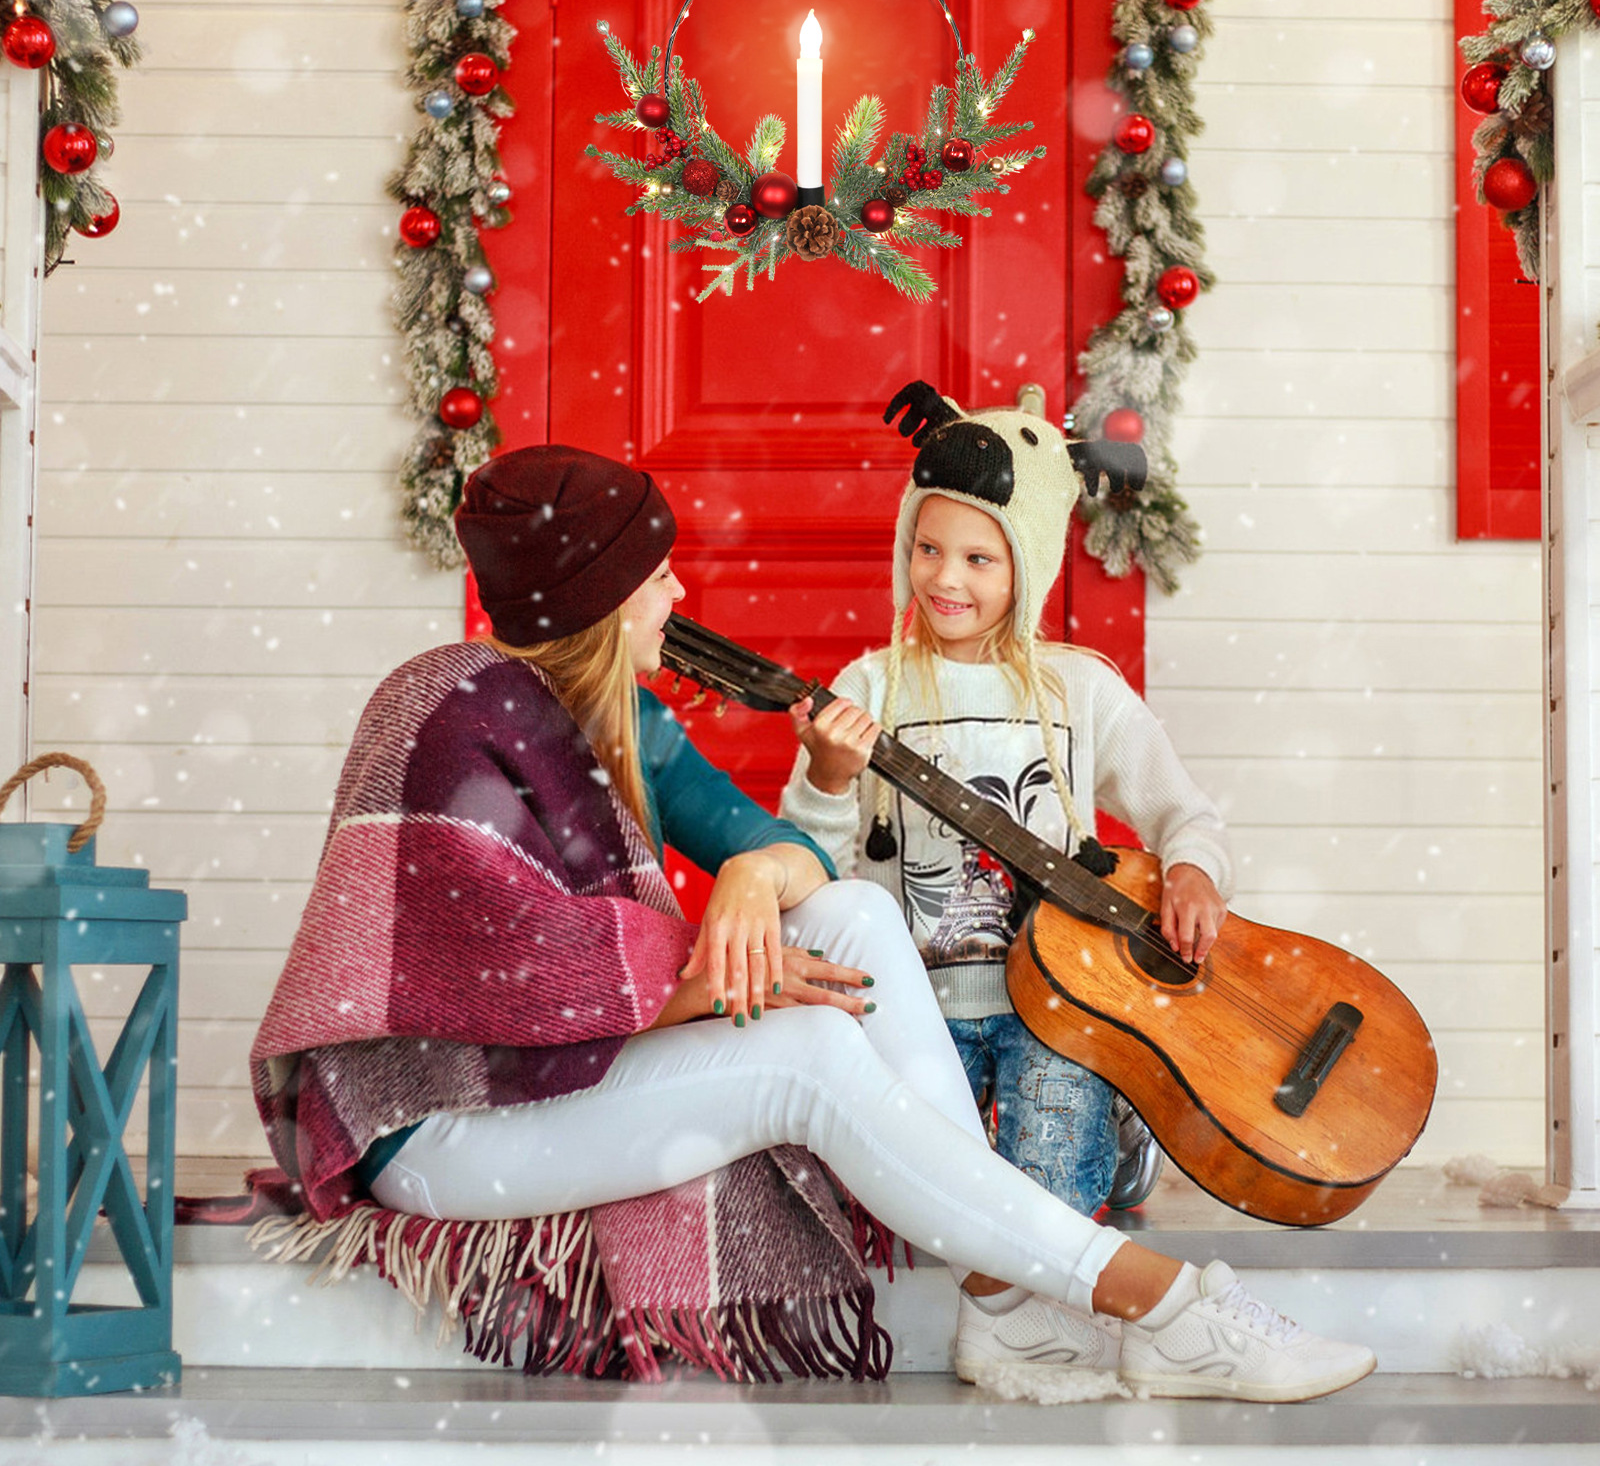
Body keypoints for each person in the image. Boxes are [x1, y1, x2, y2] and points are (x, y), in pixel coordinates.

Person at [251, 442, 1374, 1405]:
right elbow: (498, 967)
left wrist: (749, 876)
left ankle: (998, 1299)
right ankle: (1171, 1307)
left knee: (844, 909)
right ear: (595, 598)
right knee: (806, 1052)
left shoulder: (613, 717)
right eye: (654, 575)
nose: (678, 595)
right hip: (440, 1124)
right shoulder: (448, 707)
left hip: (554, 1083)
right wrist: (708, 969)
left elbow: (797, 855)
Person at [779, 383, 1234, 1385]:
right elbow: (803, 861)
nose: (946, 577)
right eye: (927, 548)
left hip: (1052, 1004)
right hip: (909, 1010)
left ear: (1025, 566)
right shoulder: (867, 688)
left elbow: (1182, 809)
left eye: (980, 558)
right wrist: (824, 779)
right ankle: (1006, 1328)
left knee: (1049, 1191)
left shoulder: (1079, 689)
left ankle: (1056, 1280)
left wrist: (1194, 867)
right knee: (925, 1179)